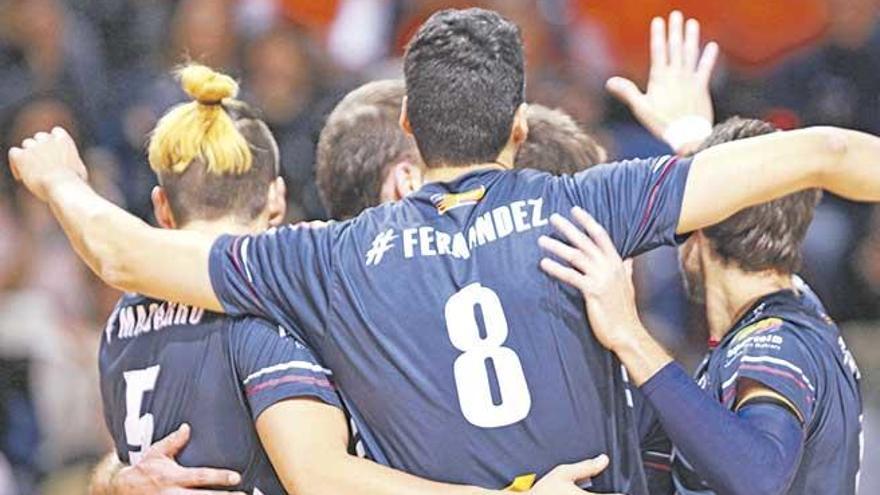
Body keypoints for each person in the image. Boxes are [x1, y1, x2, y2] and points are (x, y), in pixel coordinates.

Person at [9, 7, 880, 493]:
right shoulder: (586, 206)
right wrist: (692, 138)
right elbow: (827, 153)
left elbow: (125, 257)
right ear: (516, 130)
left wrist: (60, 182)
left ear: (408, 128)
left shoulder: (325, 260)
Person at [86, 64, 599, 495]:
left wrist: (116, 481)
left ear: (162, 209)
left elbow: (137, 452)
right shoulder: (277, 309)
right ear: (277, 200)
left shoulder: (123, 318)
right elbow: (319, 476)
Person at [539, 118, 863, 494]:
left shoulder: (775, 340)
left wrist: (627, 332)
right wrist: (693, 141)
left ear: (703, 220)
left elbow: (759, 477)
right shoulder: (796, 305)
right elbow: (754, 191)